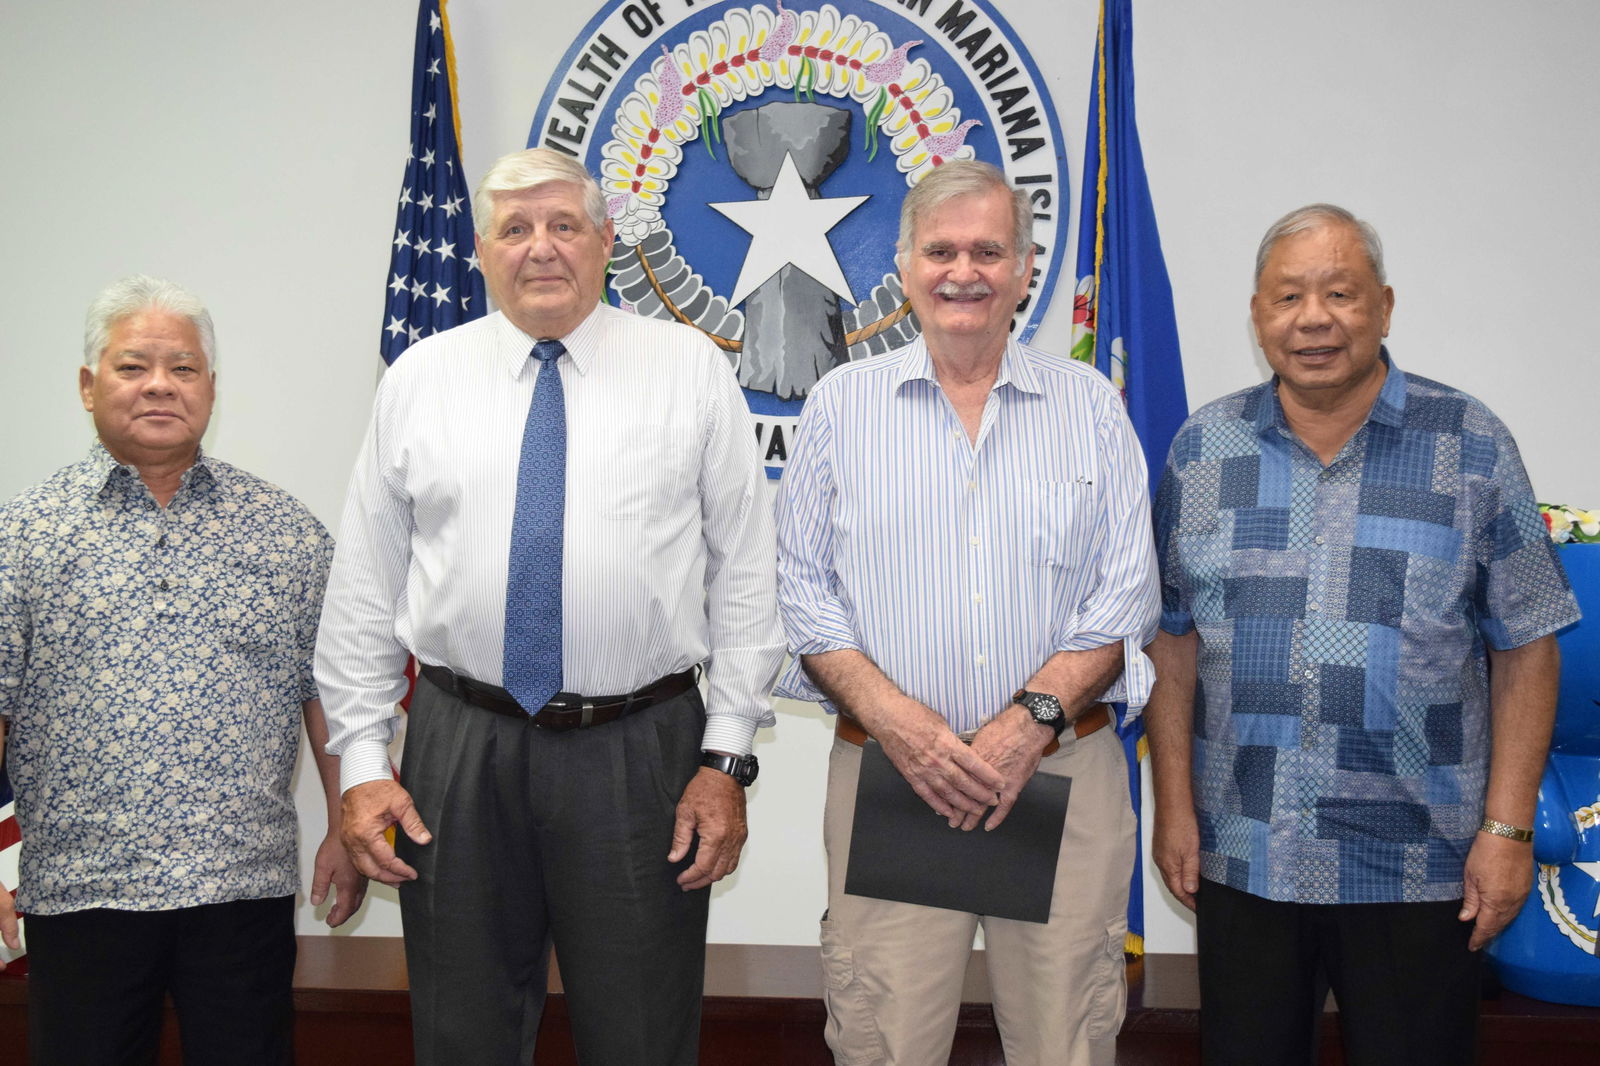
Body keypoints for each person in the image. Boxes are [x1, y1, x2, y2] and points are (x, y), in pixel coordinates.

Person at [314, 147, 783, 1066]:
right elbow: (365, 586)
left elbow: (748, 578)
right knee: (462, 1032)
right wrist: (366, 762)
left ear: (606, 243)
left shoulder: (689, 370)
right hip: (458, 745)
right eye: (516, 229)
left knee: (641, 1034)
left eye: (564, 226)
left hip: (638, 751)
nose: (541, 249)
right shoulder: (421, 377)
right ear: (482, 251)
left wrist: (725, 758)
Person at [1145, 204, 1581, 1066]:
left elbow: (1527, 644)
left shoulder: (1471, 444)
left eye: (1339, 293)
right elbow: (1172, 641)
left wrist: (1508, 832)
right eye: (1288, 297)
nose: (1314, 318)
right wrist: (1175, 806)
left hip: (1421, 866)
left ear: (1384, 305)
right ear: (1258, 315)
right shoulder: (1204, 450)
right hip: (1246, 855)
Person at [774, 159, 1161, 1066]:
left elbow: (1124, 592)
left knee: (1066, 1042)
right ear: (904, 265)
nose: (964, 271)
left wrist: (1028, 724)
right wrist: (899, 722)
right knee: (884, 1043)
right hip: (893, 778)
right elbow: (800, 590)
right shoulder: (840, 406)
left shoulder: (1091, 409)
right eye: (941, 250)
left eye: (989, 250)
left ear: (1026, 269)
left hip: (1062, 770)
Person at [0, 274, 365, 1064]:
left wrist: (342, 824)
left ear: (210, 388)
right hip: (80, 891)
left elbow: (330, 695)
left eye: (184, 368)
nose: (160, 385)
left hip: (240, 891)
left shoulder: (285, 533)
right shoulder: (21, 534)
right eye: (133, 367)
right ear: (88, 386)